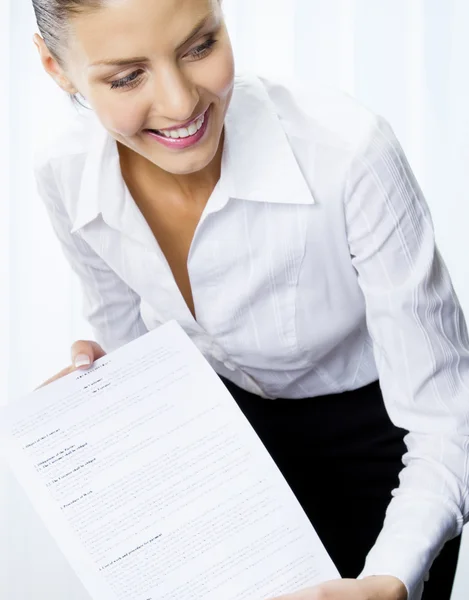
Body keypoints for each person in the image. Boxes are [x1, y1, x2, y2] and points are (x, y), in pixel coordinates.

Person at [31, 0, 468, 599]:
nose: (182, 104)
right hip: (222, 453)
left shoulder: (346, 151)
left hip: (386, 453)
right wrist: (107, 400)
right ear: (55, 67)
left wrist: (389, 577)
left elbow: (447, 419)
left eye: (199, 46)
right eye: (127, 76)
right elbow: (130, 341)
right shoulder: (64, 170)